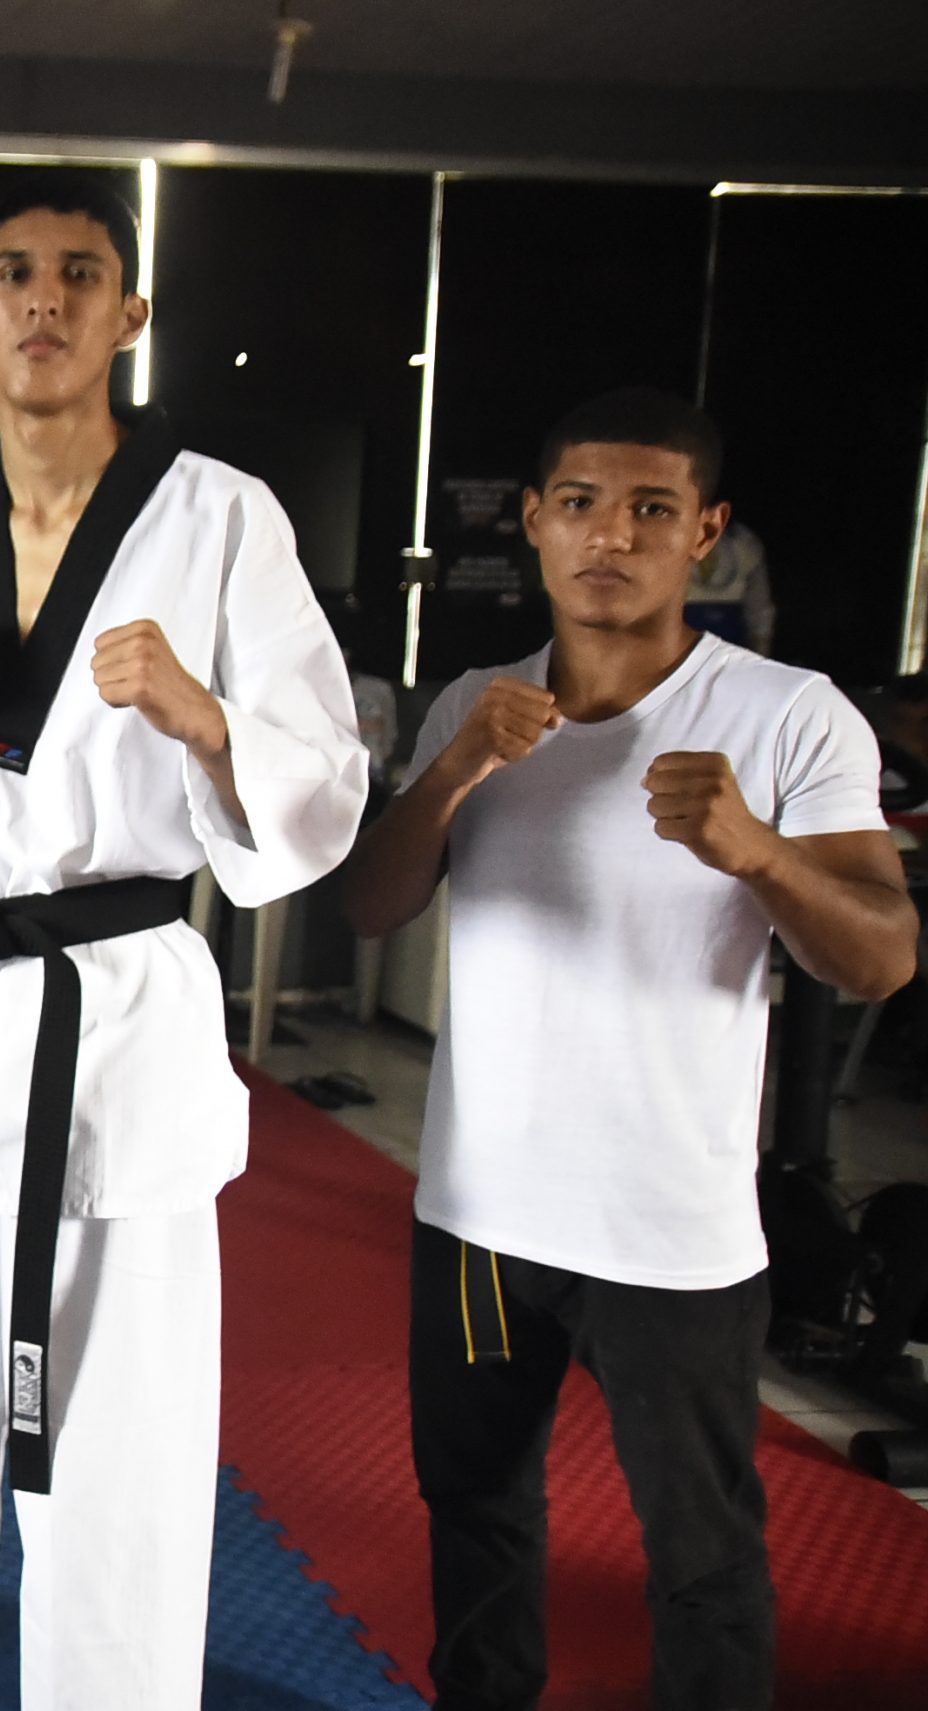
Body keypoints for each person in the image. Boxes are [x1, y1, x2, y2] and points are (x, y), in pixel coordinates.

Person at [0, 179, 367, 1710]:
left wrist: (203, 714)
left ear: (128, 317)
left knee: (110, 1433)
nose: (44, 298)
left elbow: (320, 777)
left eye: (81, 274)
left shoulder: (221, 515)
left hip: (112, 1015)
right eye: (13, 274)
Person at [342, 388, 915, 1711]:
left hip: (672, 1226)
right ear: (537, 522)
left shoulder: (787, 715)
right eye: (584, 504)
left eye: (653, 508)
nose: (614, 535)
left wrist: (757, 850)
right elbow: (371, 906)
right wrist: (452, 771)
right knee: (475, 1507)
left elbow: (878, 954)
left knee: (700, 1548)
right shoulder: (474, 708)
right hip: (482, 1213)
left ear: (705, 534)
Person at [685, 517, 777, 654]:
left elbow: (759, 605)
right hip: (683, 629)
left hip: (731, 635)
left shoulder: (744, 541)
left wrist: (761, 650)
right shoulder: (675, 535)